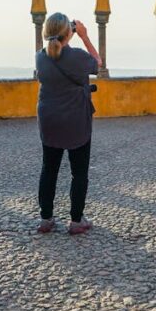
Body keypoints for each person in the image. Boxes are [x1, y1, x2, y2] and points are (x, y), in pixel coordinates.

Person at [35, 12, 102, 235]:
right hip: (75, 120)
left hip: (49, 120)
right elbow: (98, 63)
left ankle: (46, 219)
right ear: (68, 32)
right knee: (79, 172)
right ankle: (76, 221)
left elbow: (55, 54)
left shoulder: (40, 57)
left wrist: (68, 35)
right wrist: (83, 35)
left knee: (49, 169)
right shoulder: (78, 57)